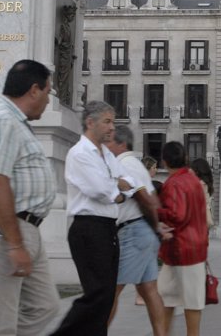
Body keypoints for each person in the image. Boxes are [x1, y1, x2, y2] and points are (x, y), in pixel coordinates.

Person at [0, 59, 59, 336]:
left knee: (45, 307)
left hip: (22, 227)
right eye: (48, 92)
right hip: (3, 229)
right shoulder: (1, 120)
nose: (48, 100)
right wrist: (15, 244)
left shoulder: (13, 121)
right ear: (34, 90)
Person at [51, 101, 138, 336]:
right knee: (97, 294)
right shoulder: (80, 154)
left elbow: (130, 183)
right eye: (107, 121)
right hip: (89, 228)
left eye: (113, 121)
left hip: (108, 228)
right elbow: (101, 190)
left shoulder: (106, 154)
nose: (113, 128)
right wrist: (117, 189)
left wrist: (117, 188)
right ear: (91, 122)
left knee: (106, 297)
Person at [106, 125, 169, 336]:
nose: (106, 144)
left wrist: (156, 227)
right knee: (149, 290)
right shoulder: (135, 164)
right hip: (142, 231)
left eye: (109, 141)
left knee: (111, 290)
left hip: (133, 232)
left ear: (121, 144)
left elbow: (143, 198)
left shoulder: (126, 164)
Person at [157, 141, 209, 336]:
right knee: (177, 299)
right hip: (194, 248)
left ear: (164, 161)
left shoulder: (174, 183)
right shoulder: (193, 180)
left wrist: (156, 211)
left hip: (181, 249)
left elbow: (177, 215)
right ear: (185, 158)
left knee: (172, 299)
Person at [190, 158, 214, 230]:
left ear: (197, 171)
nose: (189, 171)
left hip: (198, 220)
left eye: (192, 169)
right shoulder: (206, 183)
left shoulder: (200, 184)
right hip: (202, 220)